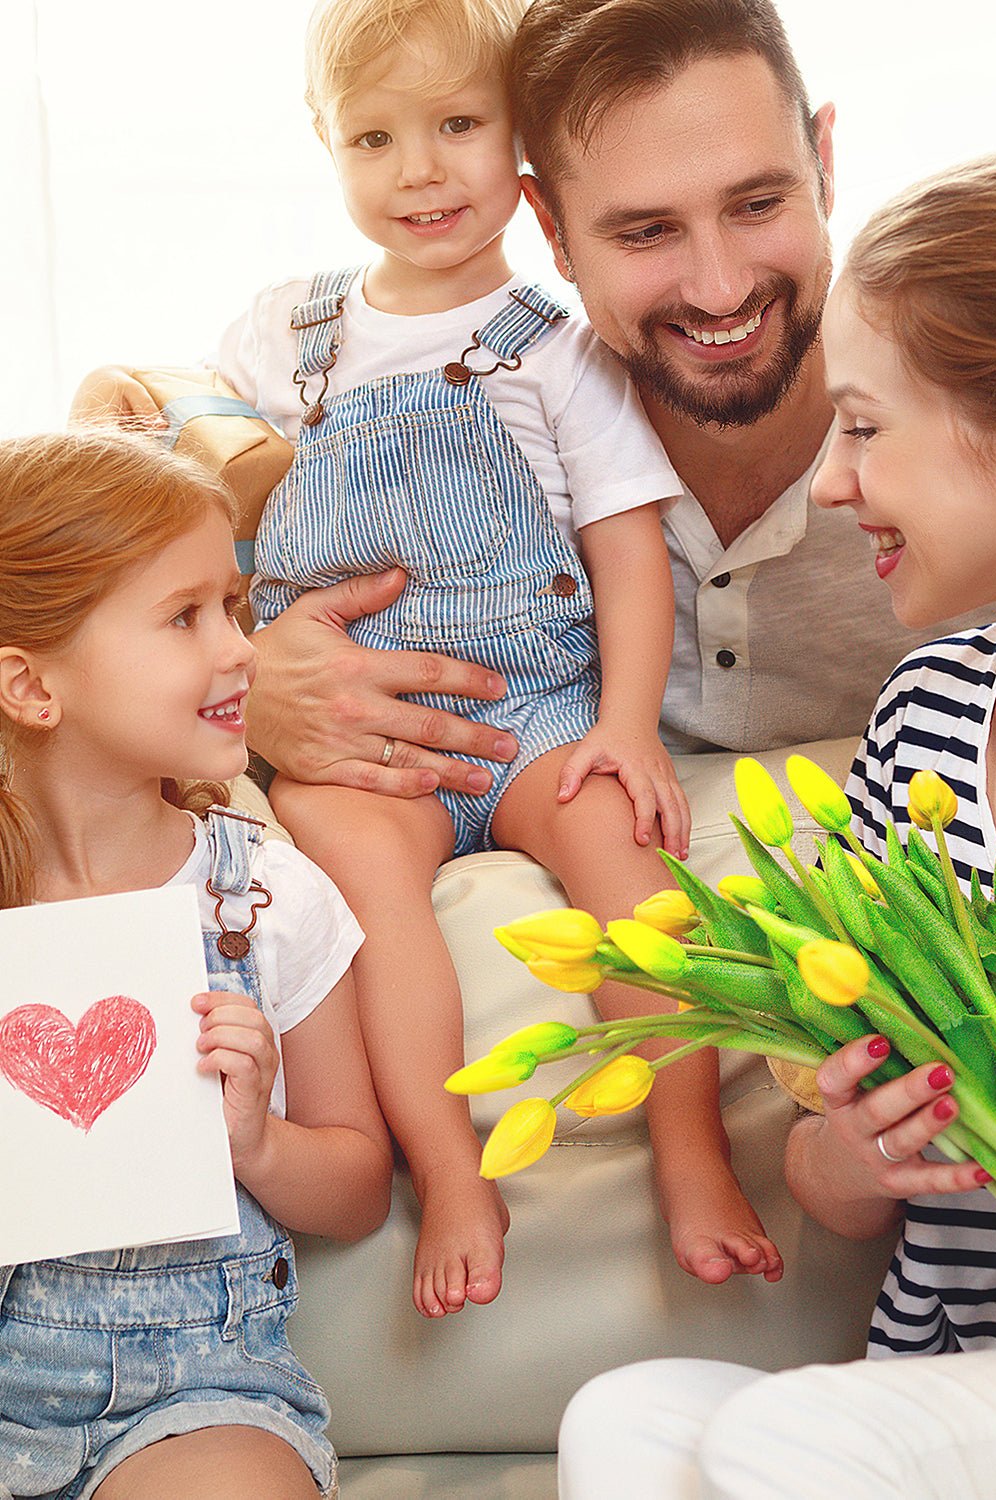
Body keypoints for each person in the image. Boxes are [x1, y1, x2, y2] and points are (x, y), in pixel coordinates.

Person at [73, 0, 790, 1317]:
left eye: (458, 126)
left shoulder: (559, 346)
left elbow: (628, 554)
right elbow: (204, 483)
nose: (421, 170)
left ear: (519, 145)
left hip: (534, 705)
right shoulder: (286, 332)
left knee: (634, 870)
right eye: (376, 137)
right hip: (350, 733)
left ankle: (693, 1151)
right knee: (363, 909)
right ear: (323, 144)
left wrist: (625, 728)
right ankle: (452, 1172)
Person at [553, 144, 996, 1498]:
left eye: (866, 425)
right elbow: (831, 1190)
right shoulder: (927, 717)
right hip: (947, 1396)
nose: (835, 486)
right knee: (628, 1419)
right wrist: (856, 1151)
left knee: (798, 1440)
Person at [0, 430, 393, 1500]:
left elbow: (359, 1188)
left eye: (236, 605)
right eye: (185, 618)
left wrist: (258, 1137)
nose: (241, 650)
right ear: (32, 688)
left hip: (198, 1400)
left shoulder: (268, 899)